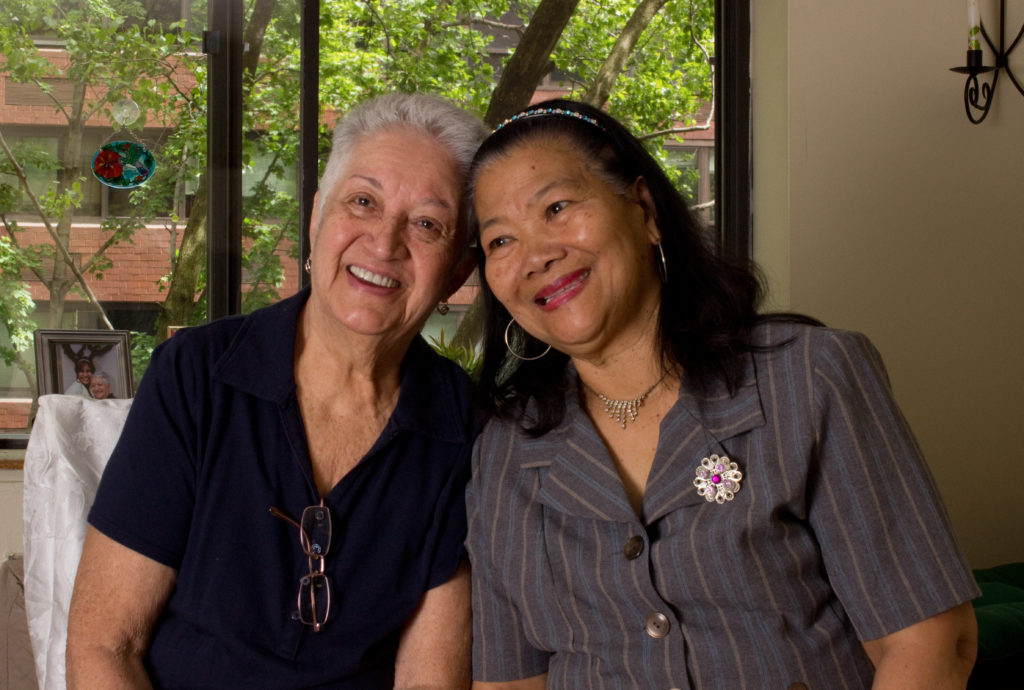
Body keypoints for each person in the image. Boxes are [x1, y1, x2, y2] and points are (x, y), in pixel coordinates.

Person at [464, 99, 979, 689]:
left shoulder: (810, 379)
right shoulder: (505, 453)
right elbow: (510, 684)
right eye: (500, 242)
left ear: (645, 210)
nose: (535, 256)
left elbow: (929, 643)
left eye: (556, 207)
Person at [66, 92, 488, 689]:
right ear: (317, 218)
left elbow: (428, 680)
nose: (385, 242)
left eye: (427, 223)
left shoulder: (467, 430)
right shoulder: (195, 377)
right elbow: (105, 645)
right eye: (362, 202)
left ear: (459, 270)